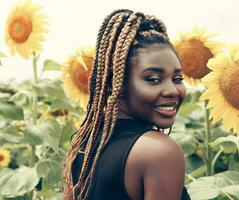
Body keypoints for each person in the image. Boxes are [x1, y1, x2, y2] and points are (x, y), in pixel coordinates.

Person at [63, 9, 191, 200]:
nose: (173, 90)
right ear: (119, 84)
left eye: (177, 78)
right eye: (154, 79)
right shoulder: (159, 152)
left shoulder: (84, 146)